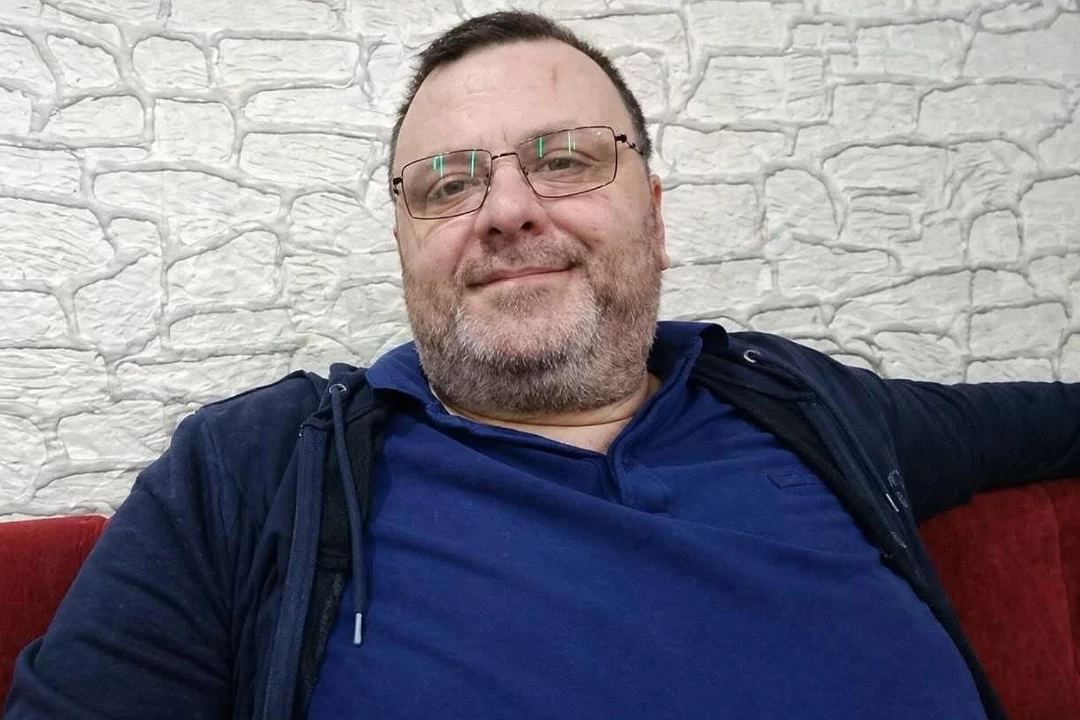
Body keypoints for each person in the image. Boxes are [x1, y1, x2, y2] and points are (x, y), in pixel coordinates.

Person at [4, 10, 1079, 720]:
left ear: (655, 218)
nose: (508, 209)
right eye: (448, 182)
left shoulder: (803, 403)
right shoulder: (246, 473)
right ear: (405, 244)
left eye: (565, 159)